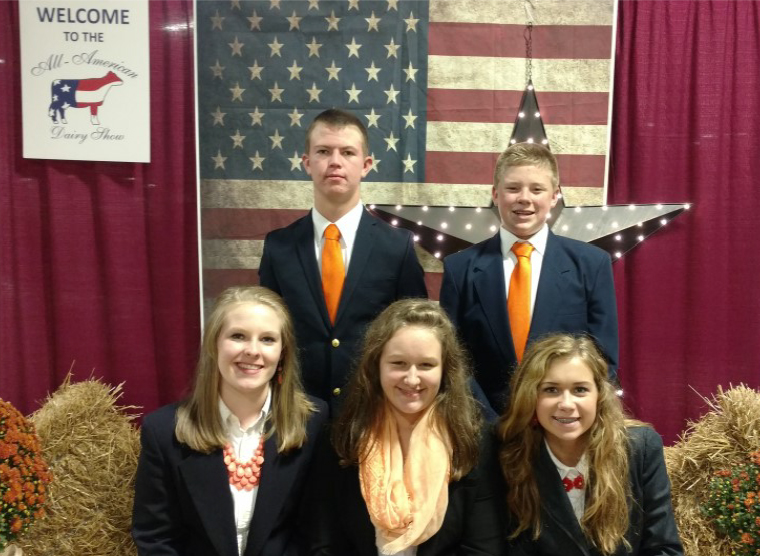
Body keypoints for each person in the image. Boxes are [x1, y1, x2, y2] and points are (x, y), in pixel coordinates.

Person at [132, 286, 328, 556]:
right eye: (238, 336)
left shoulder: (313, 422)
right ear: (214, 344)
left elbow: (318, 535)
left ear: (283, 353)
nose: (252, 350)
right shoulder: (163, 431)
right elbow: (155, 539)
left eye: (268, 339)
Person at [259, 108, 428, 415]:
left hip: (374, 412)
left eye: (347, 152)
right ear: (307, 163)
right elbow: (268, 332)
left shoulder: (397, 247)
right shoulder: (279, 247)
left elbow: (416, 334)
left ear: (365, 165)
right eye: (323, 151)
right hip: (297, 414)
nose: (335, 161)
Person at [307, 299, 506, 555]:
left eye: (426, 365)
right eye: (398, 363)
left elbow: (483, 549)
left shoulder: (476, 442)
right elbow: (323, 543)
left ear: (445, 370)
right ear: (375, 366)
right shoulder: (339, 438)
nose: (412, 379)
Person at [439, 142, 619, 415]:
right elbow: (453, 358)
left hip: (563, 423)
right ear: (495, 194)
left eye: (537, 189)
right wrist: (487, 420)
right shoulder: (459, 268)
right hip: (482, 427)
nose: (525, 198)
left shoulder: (591, 264)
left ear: (555, 196)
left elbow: (603, 359)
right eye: (513, 188)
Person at [498, 334, 683, 556]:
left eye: (580, 390)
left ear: (600, 396)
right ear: (531, 396)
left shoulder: (640, 447)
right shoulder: (508, 454)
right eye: (551, 389)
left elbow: (664, 549)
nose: (566, 404)